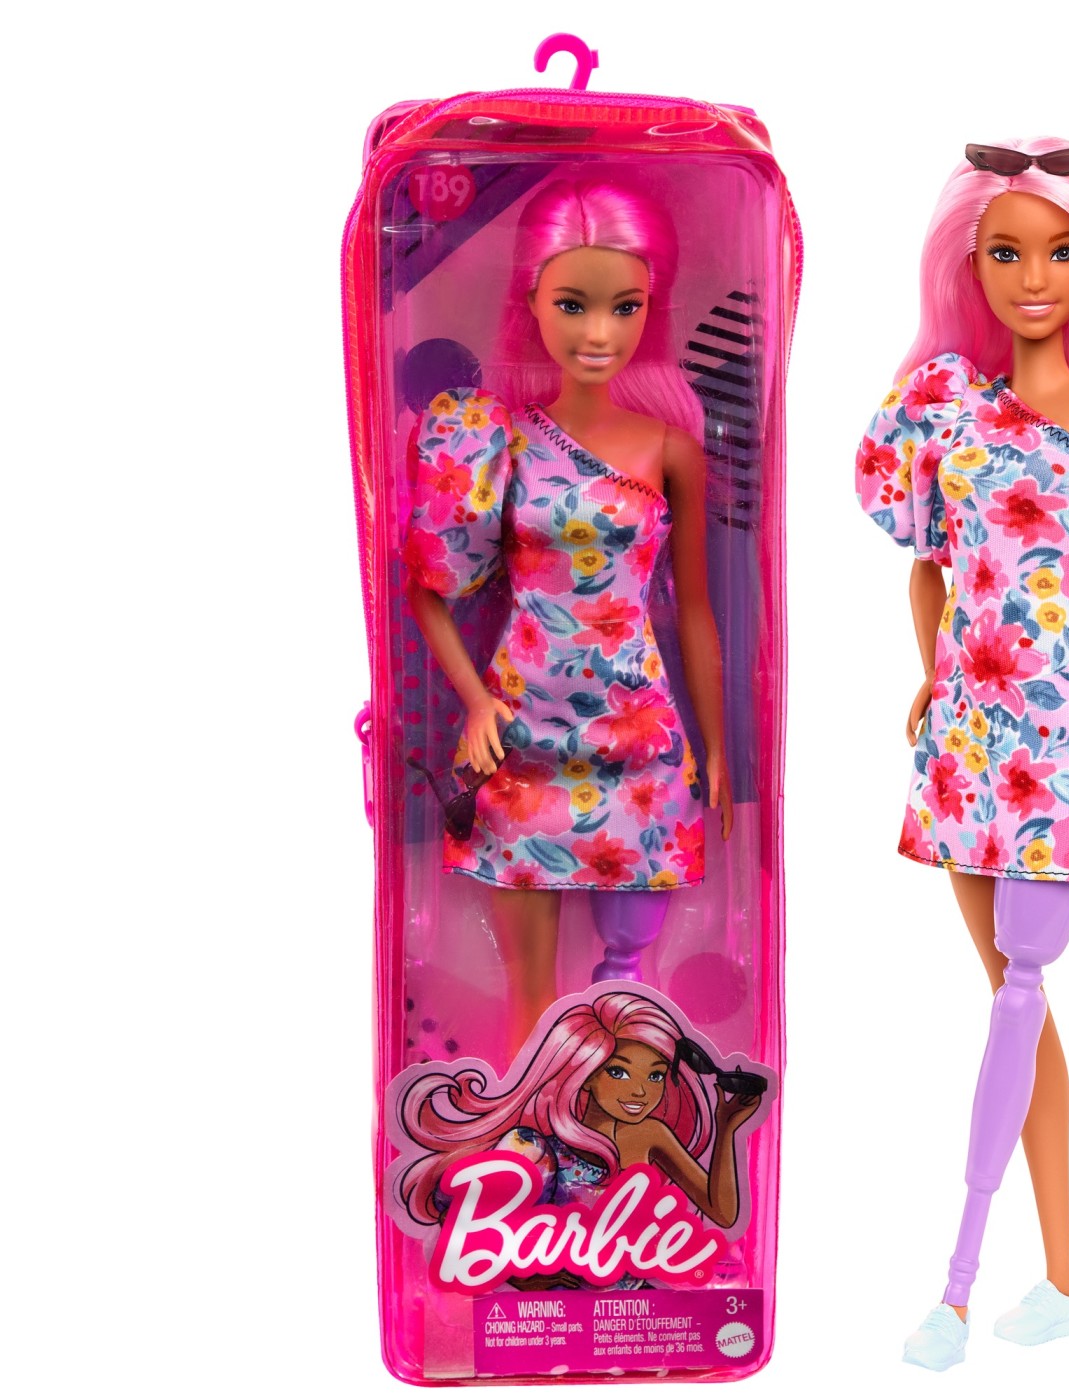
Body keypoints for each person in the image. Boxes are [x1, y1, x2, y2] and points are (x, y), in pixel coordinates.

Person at [855, 139, 1069, 1371]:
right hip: (961, 728)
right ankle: (1058, 1278)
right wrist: (928, 670)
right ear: (971, 266)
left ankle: (952, 1288)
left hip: (1058, 728)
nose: (1033, 277)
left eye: (1059, 253)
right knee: (1012, 995)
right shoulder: (949, 402)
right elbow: (928, 562)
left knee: (1017, 990)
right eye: (1005, 252)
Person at [403, 178, 732, 1049]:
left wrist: (716, 747)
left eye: (625, 308)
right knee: (530, 996)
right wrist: (477, 702)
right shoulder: (497, 442)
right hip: (521, 741)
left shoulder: (671, 449)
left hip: (640, 742)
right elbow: (428, 588)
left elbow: (695, 611)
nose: (599, 334)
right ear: (532, 303)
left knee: (627, 989)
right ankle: (523, 1129)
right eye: (573, 305)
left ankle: (612, 1126)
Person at [392, 989, 764, 1289]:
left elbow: (724, 1214)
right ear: (585, 1074)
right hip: (555, 1309)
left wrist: (727, 1127)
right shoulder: (535, 1147)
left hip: (632, 1305)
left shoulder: (650, 1134)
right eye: (618, 1072)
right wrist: (529, 1279)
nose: (640, 1092)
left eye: (655, 1076)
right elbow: (474, 1221)